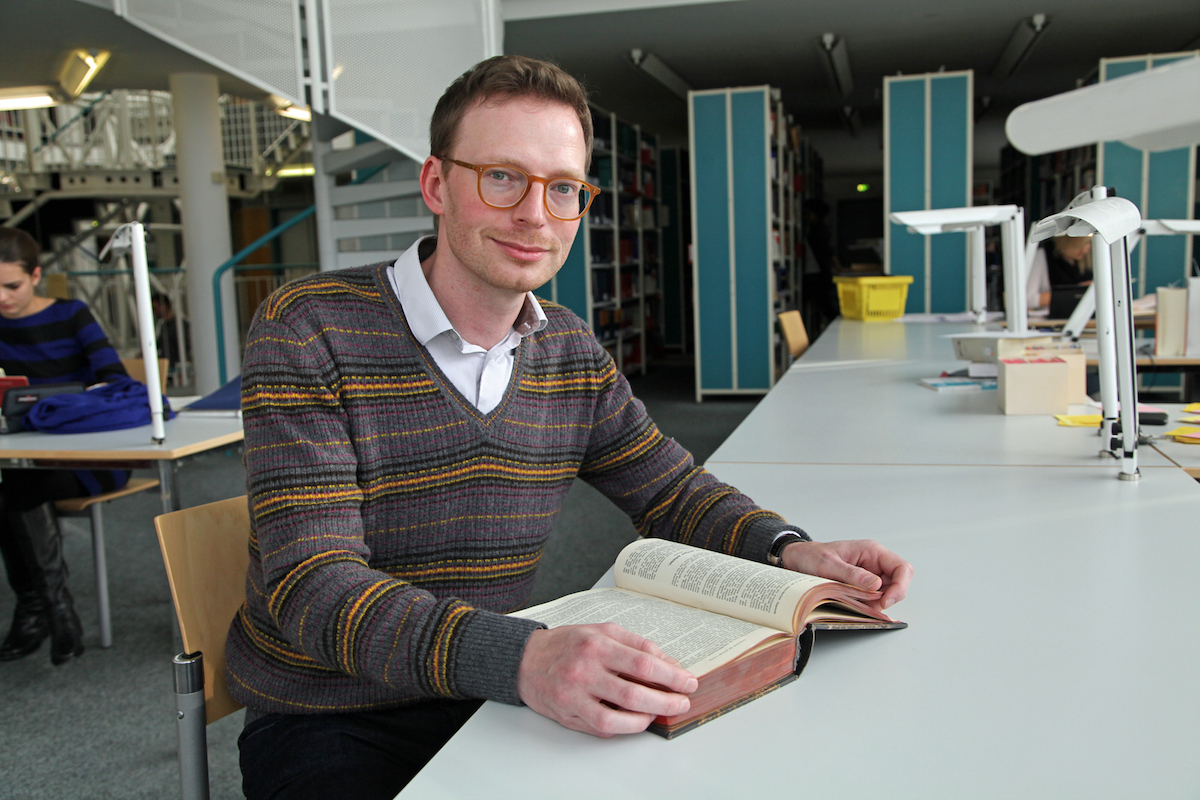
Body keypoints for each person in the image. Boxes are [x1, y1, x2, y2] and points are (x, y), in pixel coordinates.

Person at [230, 55, 913, 800]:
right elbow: (312, 584)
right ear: (436, 184)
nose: (534, 214)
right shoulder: (308, 329)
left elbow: (672, 491)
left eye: (562, 190)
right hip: (334, 712)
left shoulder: (566, 346)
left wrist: (788, 549)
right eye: (501, 177)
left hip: (492, 686)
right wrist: (523, 659)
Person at [0, 227, 130, 665]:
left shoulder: (72, 314)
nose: (2, 297)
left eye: (11, 285)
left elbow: (115, 382)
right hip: (23, 454)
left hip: (91, 455)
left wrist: (52, 401)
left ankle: (43, 607)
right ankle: (46, 607)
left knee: (14, 487)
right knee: (11, 484)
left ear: (35, 275)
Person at [1026, 234, 1093, 312]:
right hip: (1051, 319)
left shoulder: (1084, 262)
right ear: (1067, 241)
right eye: (1079, 245)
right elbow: (1028, 299)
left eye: (1088, 243)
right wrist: (1075, 293)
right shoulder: (1043, 256)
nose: (1085, 249)